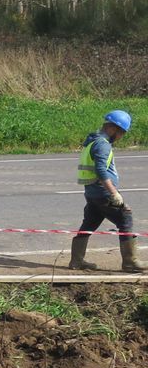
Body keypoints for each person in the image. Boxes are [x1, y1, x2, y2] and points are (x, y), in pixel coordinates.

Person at [70, 110, 147, 272]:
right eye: (122, 134)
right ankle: (130, 262)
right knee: (125, 218)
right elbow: (101, 170)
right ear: (113, 129)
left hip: (91, 193)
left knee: (89, 223)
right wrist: (114, 193)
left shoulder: (92, 141)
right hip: (102, 192)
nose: (121, 137)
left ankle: (77, 261)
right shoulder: (102, 144)